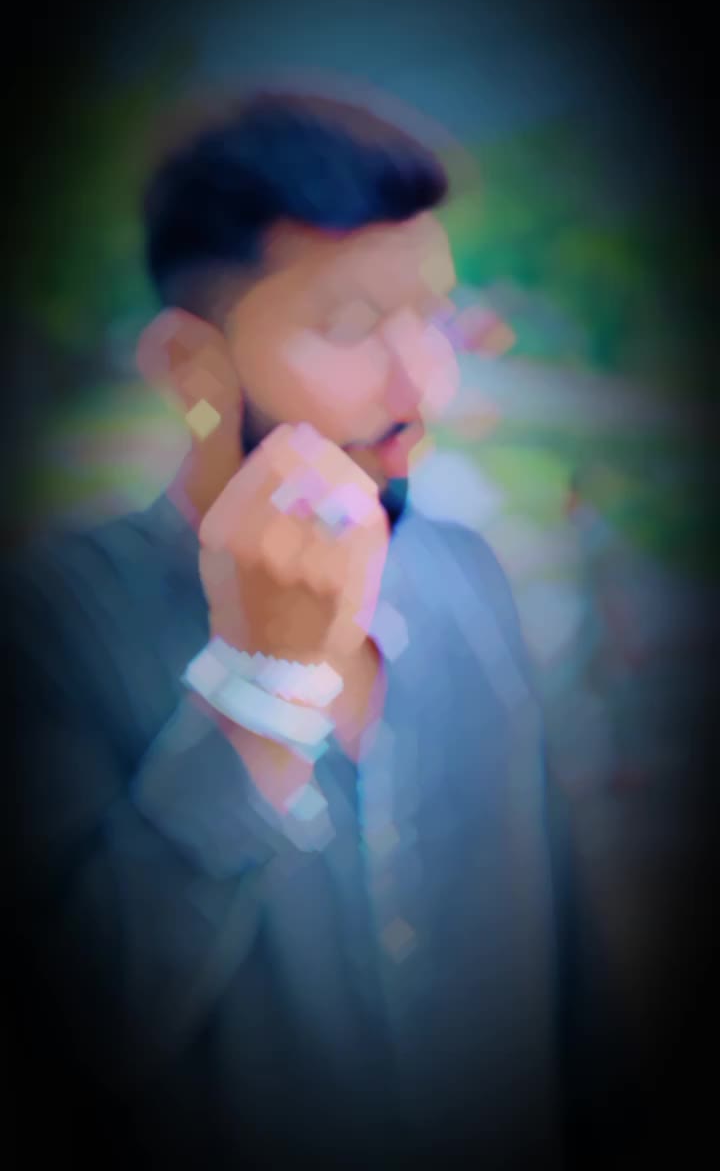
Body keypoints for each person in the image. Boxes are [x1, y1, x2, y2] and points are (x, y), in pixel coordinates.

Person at [7, 91, 612, 1168]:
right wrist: (262, 685)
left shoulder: (470, 574)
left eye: (432, 316)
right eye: (349, 324)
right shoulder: (49, 625)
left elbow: (574, 980)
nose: (423, 384)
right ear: (192, 369)